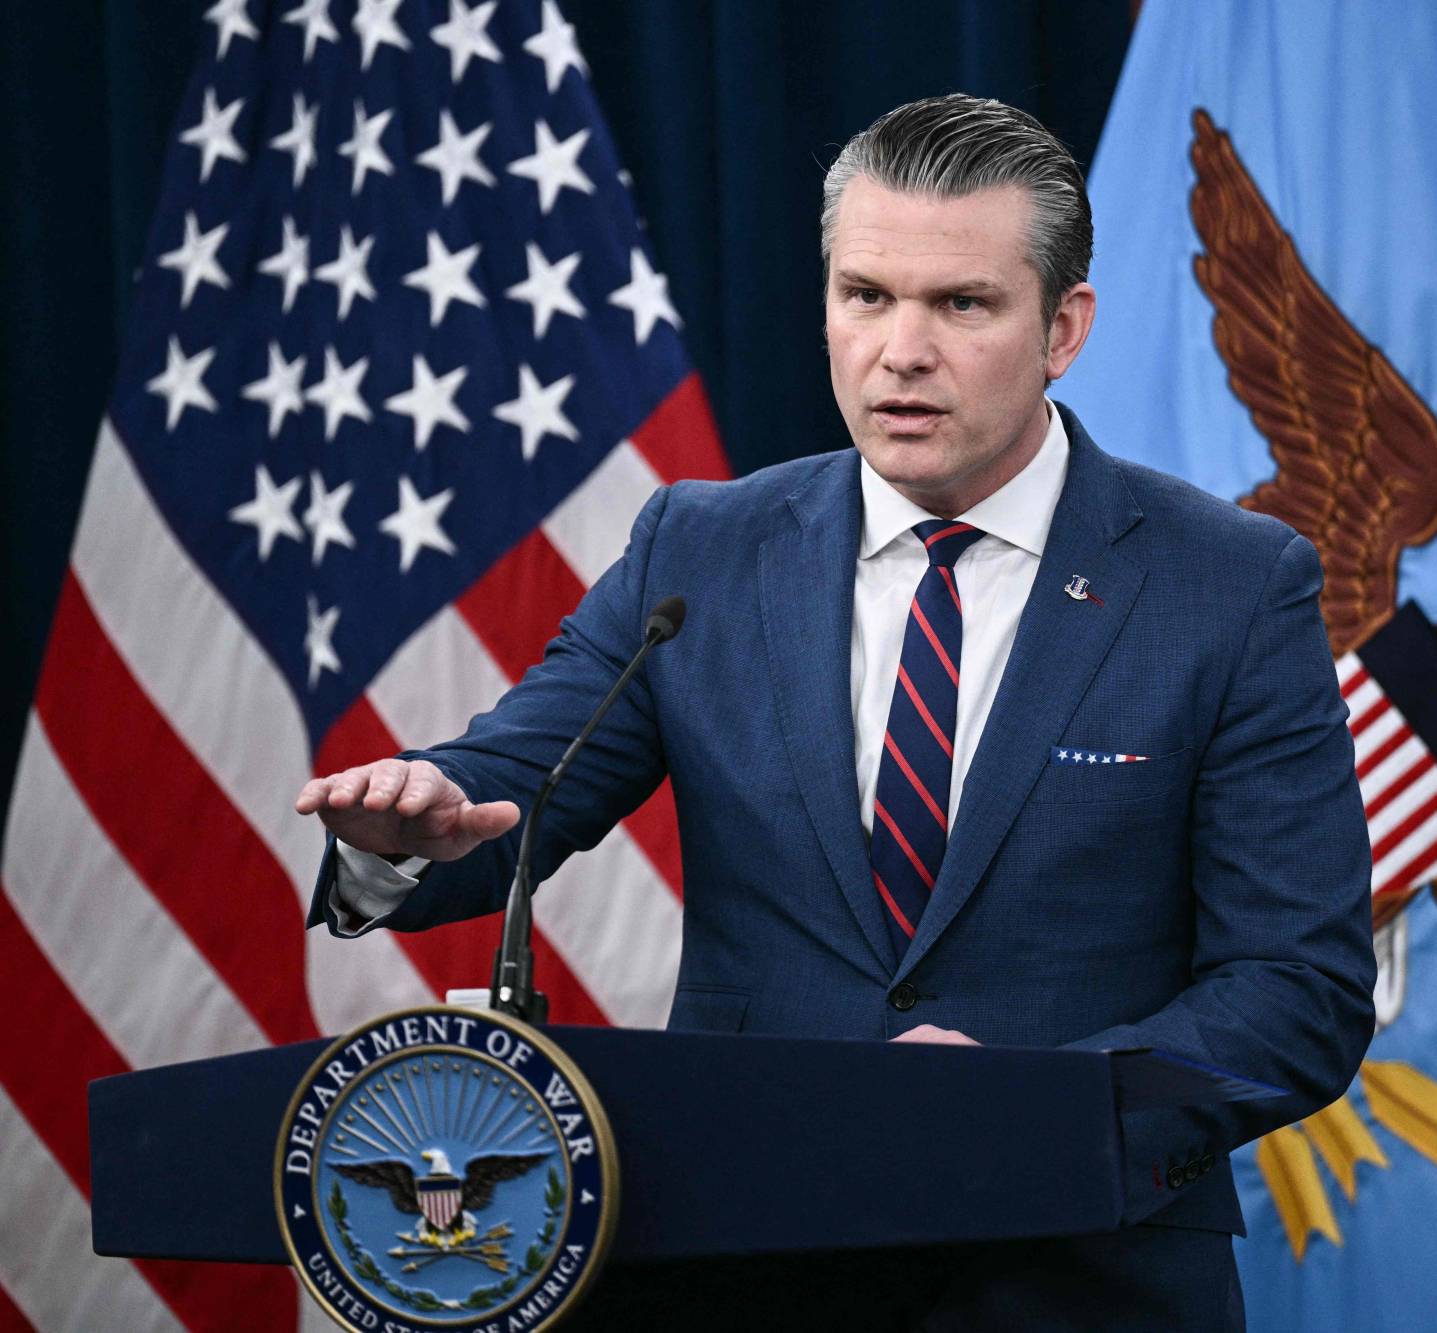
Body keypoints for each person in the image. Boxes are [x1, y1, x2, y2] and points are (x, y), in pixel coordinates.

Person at [296, 93, 1373, 1330]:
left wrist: (1042, 1105)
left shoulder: (1226, 584)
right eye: (865, 295)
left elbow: (1297, 989)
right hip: (743, 1268)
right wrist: (404, 830)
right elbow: (506, 792)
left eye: (960, 304)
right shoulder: (700, 548)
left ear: (1062, 329)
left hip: (1079, 1279)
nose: (899, 351)